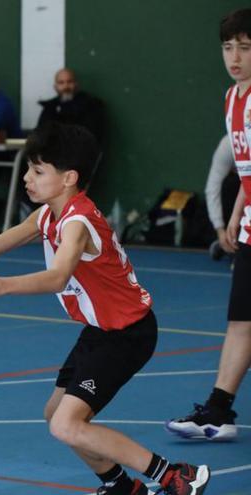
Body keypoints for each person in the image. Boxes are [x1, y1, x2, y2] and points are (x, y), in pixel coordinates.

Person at [0, 121, 209, 495]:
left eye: (38, 171)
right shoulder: (46, 215)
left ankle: (175, 477)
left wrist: (2, 286)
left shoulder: (78, 223)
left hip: (128, 335)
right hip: (101, 331)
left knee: (66, 424)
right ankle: (120, 486)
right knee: (54, 415)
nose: (27, 177)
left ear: (69, 178)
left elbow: (58, 277)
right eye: (29, 167)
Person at [166, 8, 251, 442]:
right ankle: (218, 411)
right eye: (227, 47)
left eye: (245, 47)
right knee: (240, 320)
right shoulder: (232, 99)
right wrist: (234, 217)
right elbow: (246, 171)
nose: (234, 56)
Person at [36, 68, 105, 142]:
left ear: (76, 84)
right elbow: (41, 133)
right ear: (55, 86)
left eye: (70, 82)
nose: (66, 86)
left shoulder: (90, 105)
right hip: (55, 151)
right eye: (61, 83)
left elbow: (92, 135)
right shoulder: (50, 107)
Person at [204, 134, 240, 260]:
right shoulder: (228, 144)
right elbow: (212, 187)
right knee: (231, 184)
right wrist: (220, 230)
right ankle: (229, 241)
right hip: (242, 190)